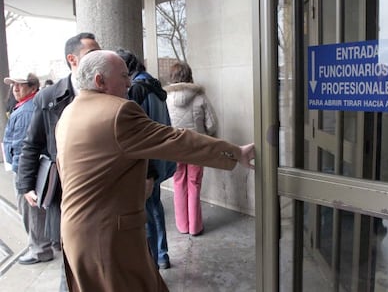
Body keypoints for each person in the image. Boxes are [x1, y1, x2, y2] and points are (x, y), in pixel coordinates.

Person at [55, 50, 255, 292]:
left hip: (76, 232)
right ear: (100, 81)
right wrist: (235, 152)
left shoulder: (69, 113)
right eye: (124, 76)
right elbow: (178, 141)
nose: (130, 82)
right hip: (107, 238)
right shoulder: (118, 112)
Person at [17, 33, 100, 289]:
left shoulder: (109, 90)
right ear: (72, 59)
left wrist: (148, 173)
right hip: (65, 194)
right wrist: (25, 185)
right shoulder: (48, 97)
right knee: (71, 260)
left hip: (103, 191)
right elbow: (32, 143)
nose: (98, 57)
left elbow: (135, 136)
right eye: (91, 53)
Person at [116, 48, 175, 269]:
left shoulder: (137, 89)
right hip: (159, 158)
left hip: (145, 163)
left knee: (146, 211)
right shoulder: (154, 86)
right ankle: (162, 254)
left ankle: (153, 258)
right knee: (155, 207)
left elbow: (135, 132)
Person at [164, 61, 218, 236]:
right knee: (194, 184)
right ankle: (195, 227)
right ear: (189, 75)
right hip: (196, 147)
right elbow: (211, 124)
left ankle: (182, 226)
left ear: (172, 77)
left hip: (174, 148)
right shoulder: (200, 97)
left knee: (179, 184)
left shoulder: (165, 99)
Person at [2, 73, 47, 264]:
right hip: (33, 169)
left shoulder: (26, 111)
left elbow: (22, 148)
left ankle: (40, 250)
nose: (15, 89)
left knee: (31, 211)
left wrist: (23, 182)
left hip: (27, 170)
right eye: (14, 85)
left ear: (33, 87)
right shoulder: (26, 107)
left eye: (20, 85)